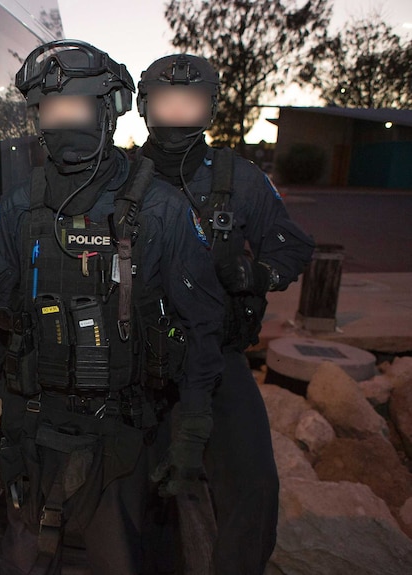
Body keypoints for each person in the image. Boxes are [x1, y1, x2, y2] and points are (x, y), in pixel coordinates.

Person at [0, 40, 226, 575]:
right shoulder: (21, 202)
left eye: (77, 108)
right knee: (22, 553)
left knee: (117, 557)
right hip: (31, 415)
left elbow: (202, 321)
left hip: (120, 425)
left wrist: (193, 426)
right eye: (51, 110)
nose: (64, 122)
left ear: (107, 110)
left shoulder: (159, 206)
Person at [136, 53, 315, 575]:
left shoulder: (241, 179)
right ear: (145, 108)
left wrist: (259, 276)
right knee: (144, 496)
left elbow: (292, 247)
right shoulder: (119, 179)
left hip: (217, 359)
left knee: (255, 486)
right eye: (166, 102)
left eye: (189, 103)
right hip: (139, 364)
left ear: (209, 109)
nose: (176, 114)